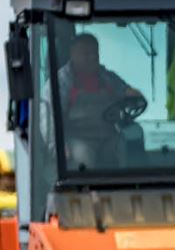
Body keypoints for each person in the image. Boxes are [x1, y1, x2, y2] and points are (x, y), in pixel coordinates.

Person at [58, 33, 143, 170]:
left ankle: (130, 185)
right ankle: (83, 190)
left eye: (95, 53)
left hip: (107, 135)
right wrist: (57, 145)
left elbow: (125, 91)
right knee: (84, 157)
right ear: (73, 55)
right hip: (78, 137)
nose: (92, 57)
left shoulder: (107, 77)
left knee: (129, 141)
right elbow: (49, 118)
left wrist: (133, 94)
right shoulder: (62, 82)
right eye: (86, 53)